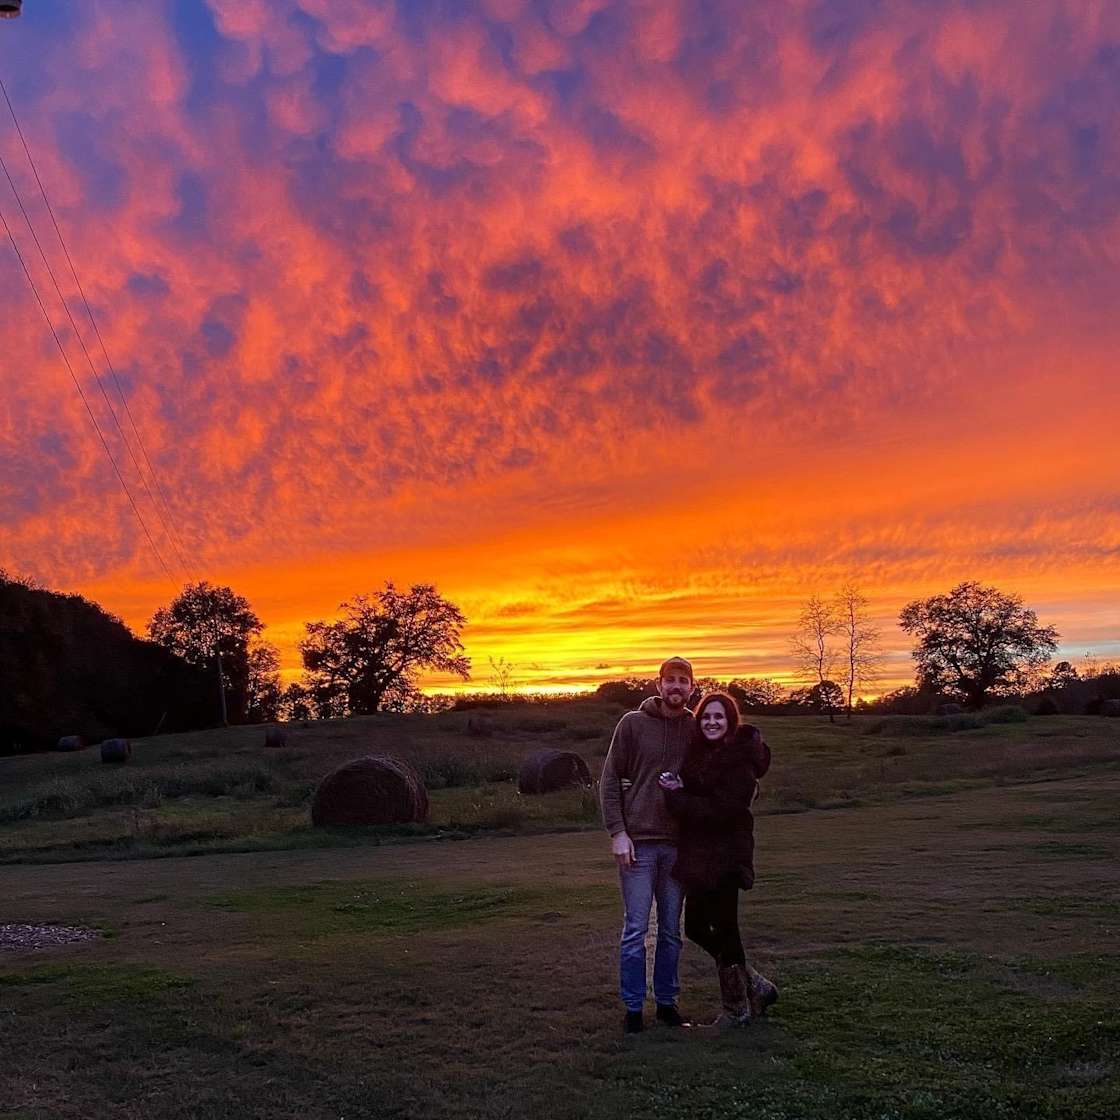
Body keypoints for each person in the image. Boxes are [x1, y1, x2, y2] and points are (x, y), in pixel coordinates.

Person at [659, 690, 778, 1027]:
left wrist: (677, 797)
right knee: (696, 927)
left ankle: (735, 1009)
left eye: (719, 717)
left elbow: (720, 811)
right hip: (700, 855)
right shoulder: (701, 754)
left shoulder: (740, 762)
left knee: (727, 929)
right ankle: (756, 985)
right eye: (706, 717)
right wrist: (679, 785)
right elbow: (701, 795)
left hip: (726, 855)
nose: (711, 722)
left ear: (730, 721)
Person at [599, 656, 696, 1034]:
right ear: (659, 685)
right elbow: (610, 780)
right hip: (637, 844)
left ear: (692, 687)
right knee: (636, 929)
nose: (676, 686)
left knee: (671, 930)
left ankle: (667, 1004)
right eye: (670, 680)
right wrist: (617, 833)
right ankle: (634, 1008)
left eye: (683, 681)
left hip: (678, 846)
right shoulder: (632, 724)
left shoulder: (695, 728)